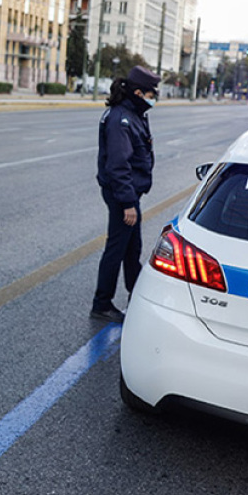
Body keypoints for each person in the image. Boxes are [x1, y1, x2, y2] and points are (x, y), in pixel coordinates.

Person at [91, 66, 160, 323]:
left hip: (129, 193)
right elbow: (118, 165)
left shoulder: (135, 113)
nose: (155, 98)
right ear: (139, 92)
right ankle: (101, 304)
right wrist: (128, 203)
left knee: (132, 249)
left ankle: (137, 297)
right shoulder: (121, 119)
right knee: (117, 249)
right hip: (123, 195)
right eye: (152, 93)